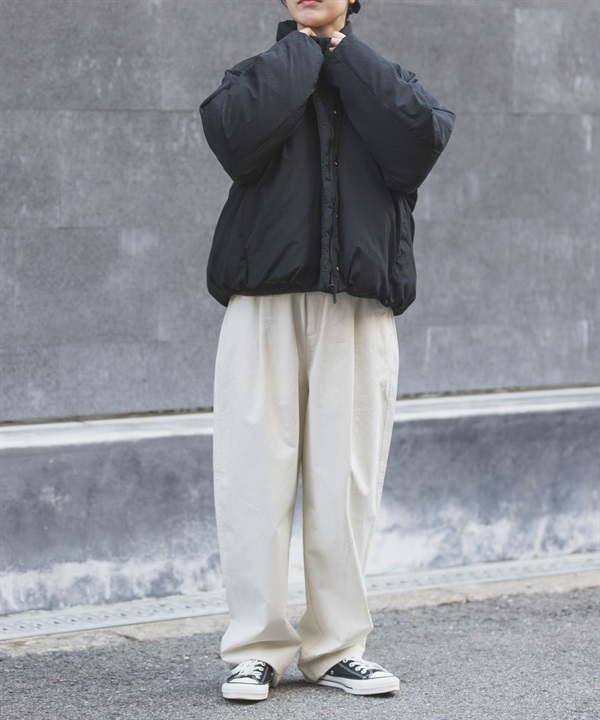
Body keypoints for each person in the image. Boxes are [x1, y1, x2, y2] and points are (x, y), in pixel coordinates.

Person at [200, 0, 455, 702]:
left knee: (347, 484)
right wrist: (305, 47)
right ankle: (255, 649)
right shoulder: (255, 76)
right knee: (252, 481)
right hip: (263, 302)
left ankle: (338, 648)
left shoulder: (385, 80)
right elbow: (235, 137)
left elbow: (416, 142)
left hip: (359, 308)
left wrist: (342, 53)